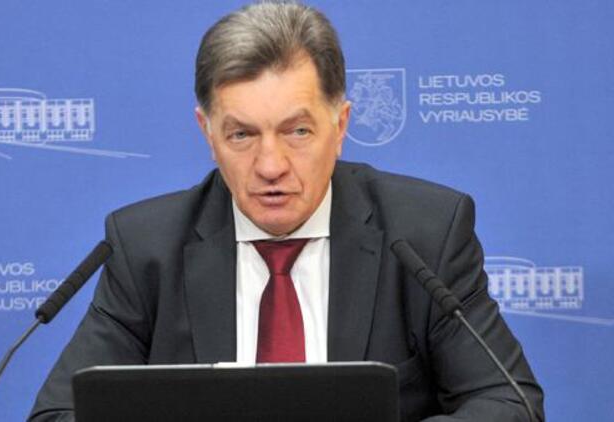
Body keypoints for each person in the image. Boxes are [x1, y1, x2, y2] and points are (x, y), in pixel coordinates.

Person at [29, 2, 544, 421]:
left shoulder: (424, 234)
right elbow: (57, 415)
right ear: (208, 134)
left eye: (298, 131)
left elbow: (509, 402)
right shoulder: (147, 248)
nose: (270, 165)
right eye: (242, 134)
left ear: (340, 126)